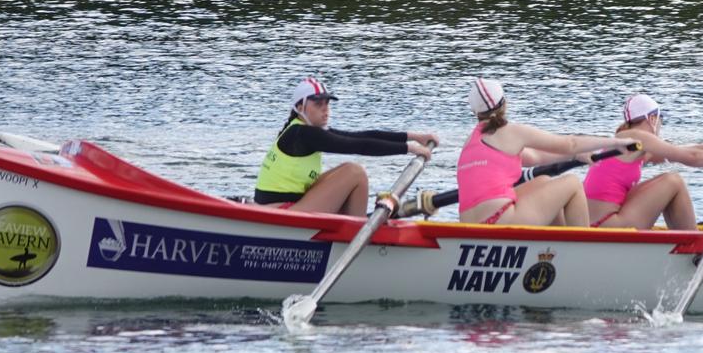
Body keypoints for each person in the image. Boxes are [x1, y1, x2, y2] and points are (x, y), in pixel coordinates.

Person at [457, 78, 637, 226]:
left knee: (543, 182)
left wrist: (575, 156)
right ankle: (584, 250)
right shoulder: (511, 132)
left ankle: (553, 247)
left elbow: (536, 157)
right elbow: (570, 143)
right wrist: (617, 142)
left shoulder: (469, 142)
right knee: (572, 183)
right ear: (504, 103)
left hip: (470, 224)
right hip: (500, 219)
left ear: (476, 112)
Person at [254, 76, 437, 216]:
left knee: (350, 170)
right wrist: (409, 149)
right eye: (318, 104)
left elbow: (363, 136)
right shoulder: (304, 134)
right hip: (282, 211)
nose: (325, 110)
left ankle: (354, 226)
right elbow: (360, 146)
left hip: (288, 204)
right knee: (355, 173)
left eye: (327, 103)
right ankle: (356, 233)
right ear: (300, 108)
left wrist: (414, 137)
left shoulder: (300, 130)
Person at [583, 94, 703, 230]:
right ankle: (693, 244)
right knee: (673, 181)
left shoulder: (631, 143)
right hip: (607, 225)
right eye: (661, 120)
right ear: (652, 118)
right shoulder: (637, 137)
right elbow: (692, 158)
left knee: (669, 182)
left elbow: (692, 150)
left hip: (600, 222)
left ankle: (685, 236)